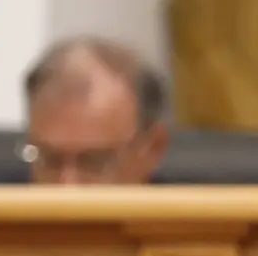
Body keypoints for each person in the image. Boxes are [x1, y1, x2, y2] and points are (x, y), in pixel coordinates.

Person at [21, 36, 170, 185]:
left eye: (94, 163)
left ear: (154, 148)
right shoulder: (0, 201)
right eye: (50, 160)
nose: (67, 188)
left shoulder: (191, 205)